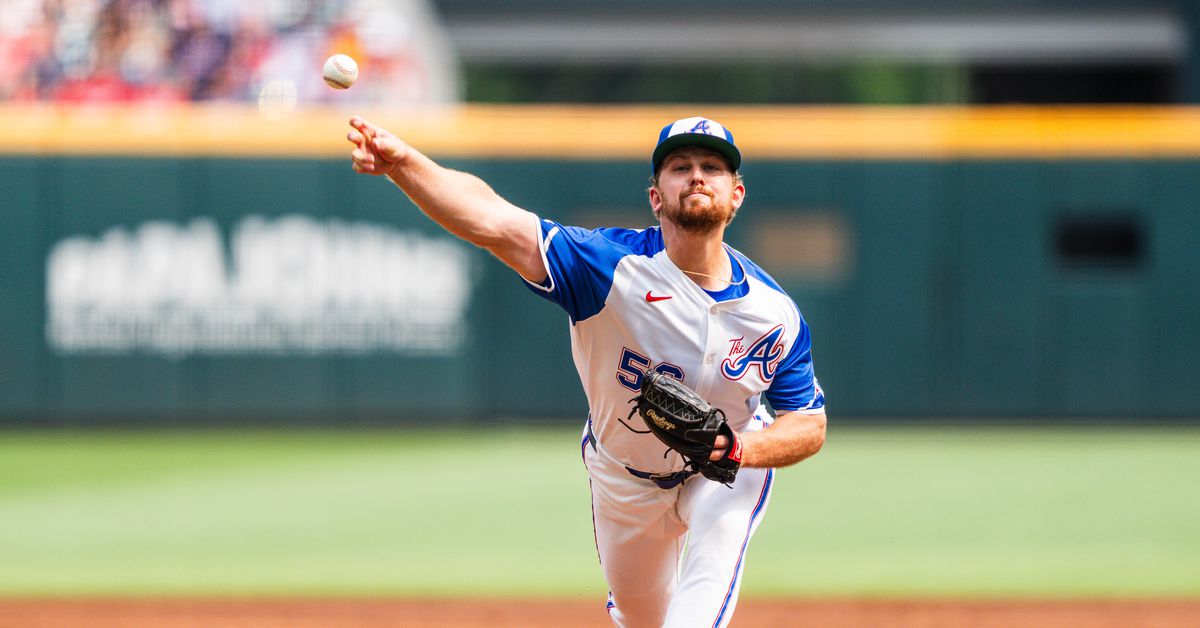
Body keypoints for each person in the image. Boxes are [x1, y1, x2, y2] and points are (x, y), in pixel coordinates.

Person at [346, 114, 827, 628]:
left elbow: (808, 422)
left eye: (712, 167)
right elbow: (492, 220)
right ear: (655, 197)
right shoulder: (607, 266)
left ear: (736, 195)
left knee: (704, 590)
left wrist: (738, 449)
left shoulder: (773, 313)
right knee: (642, 617)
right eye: (679, 166)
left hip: (724, 471)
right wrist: (404, 165)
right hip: (624, 478)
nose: (696, 175)